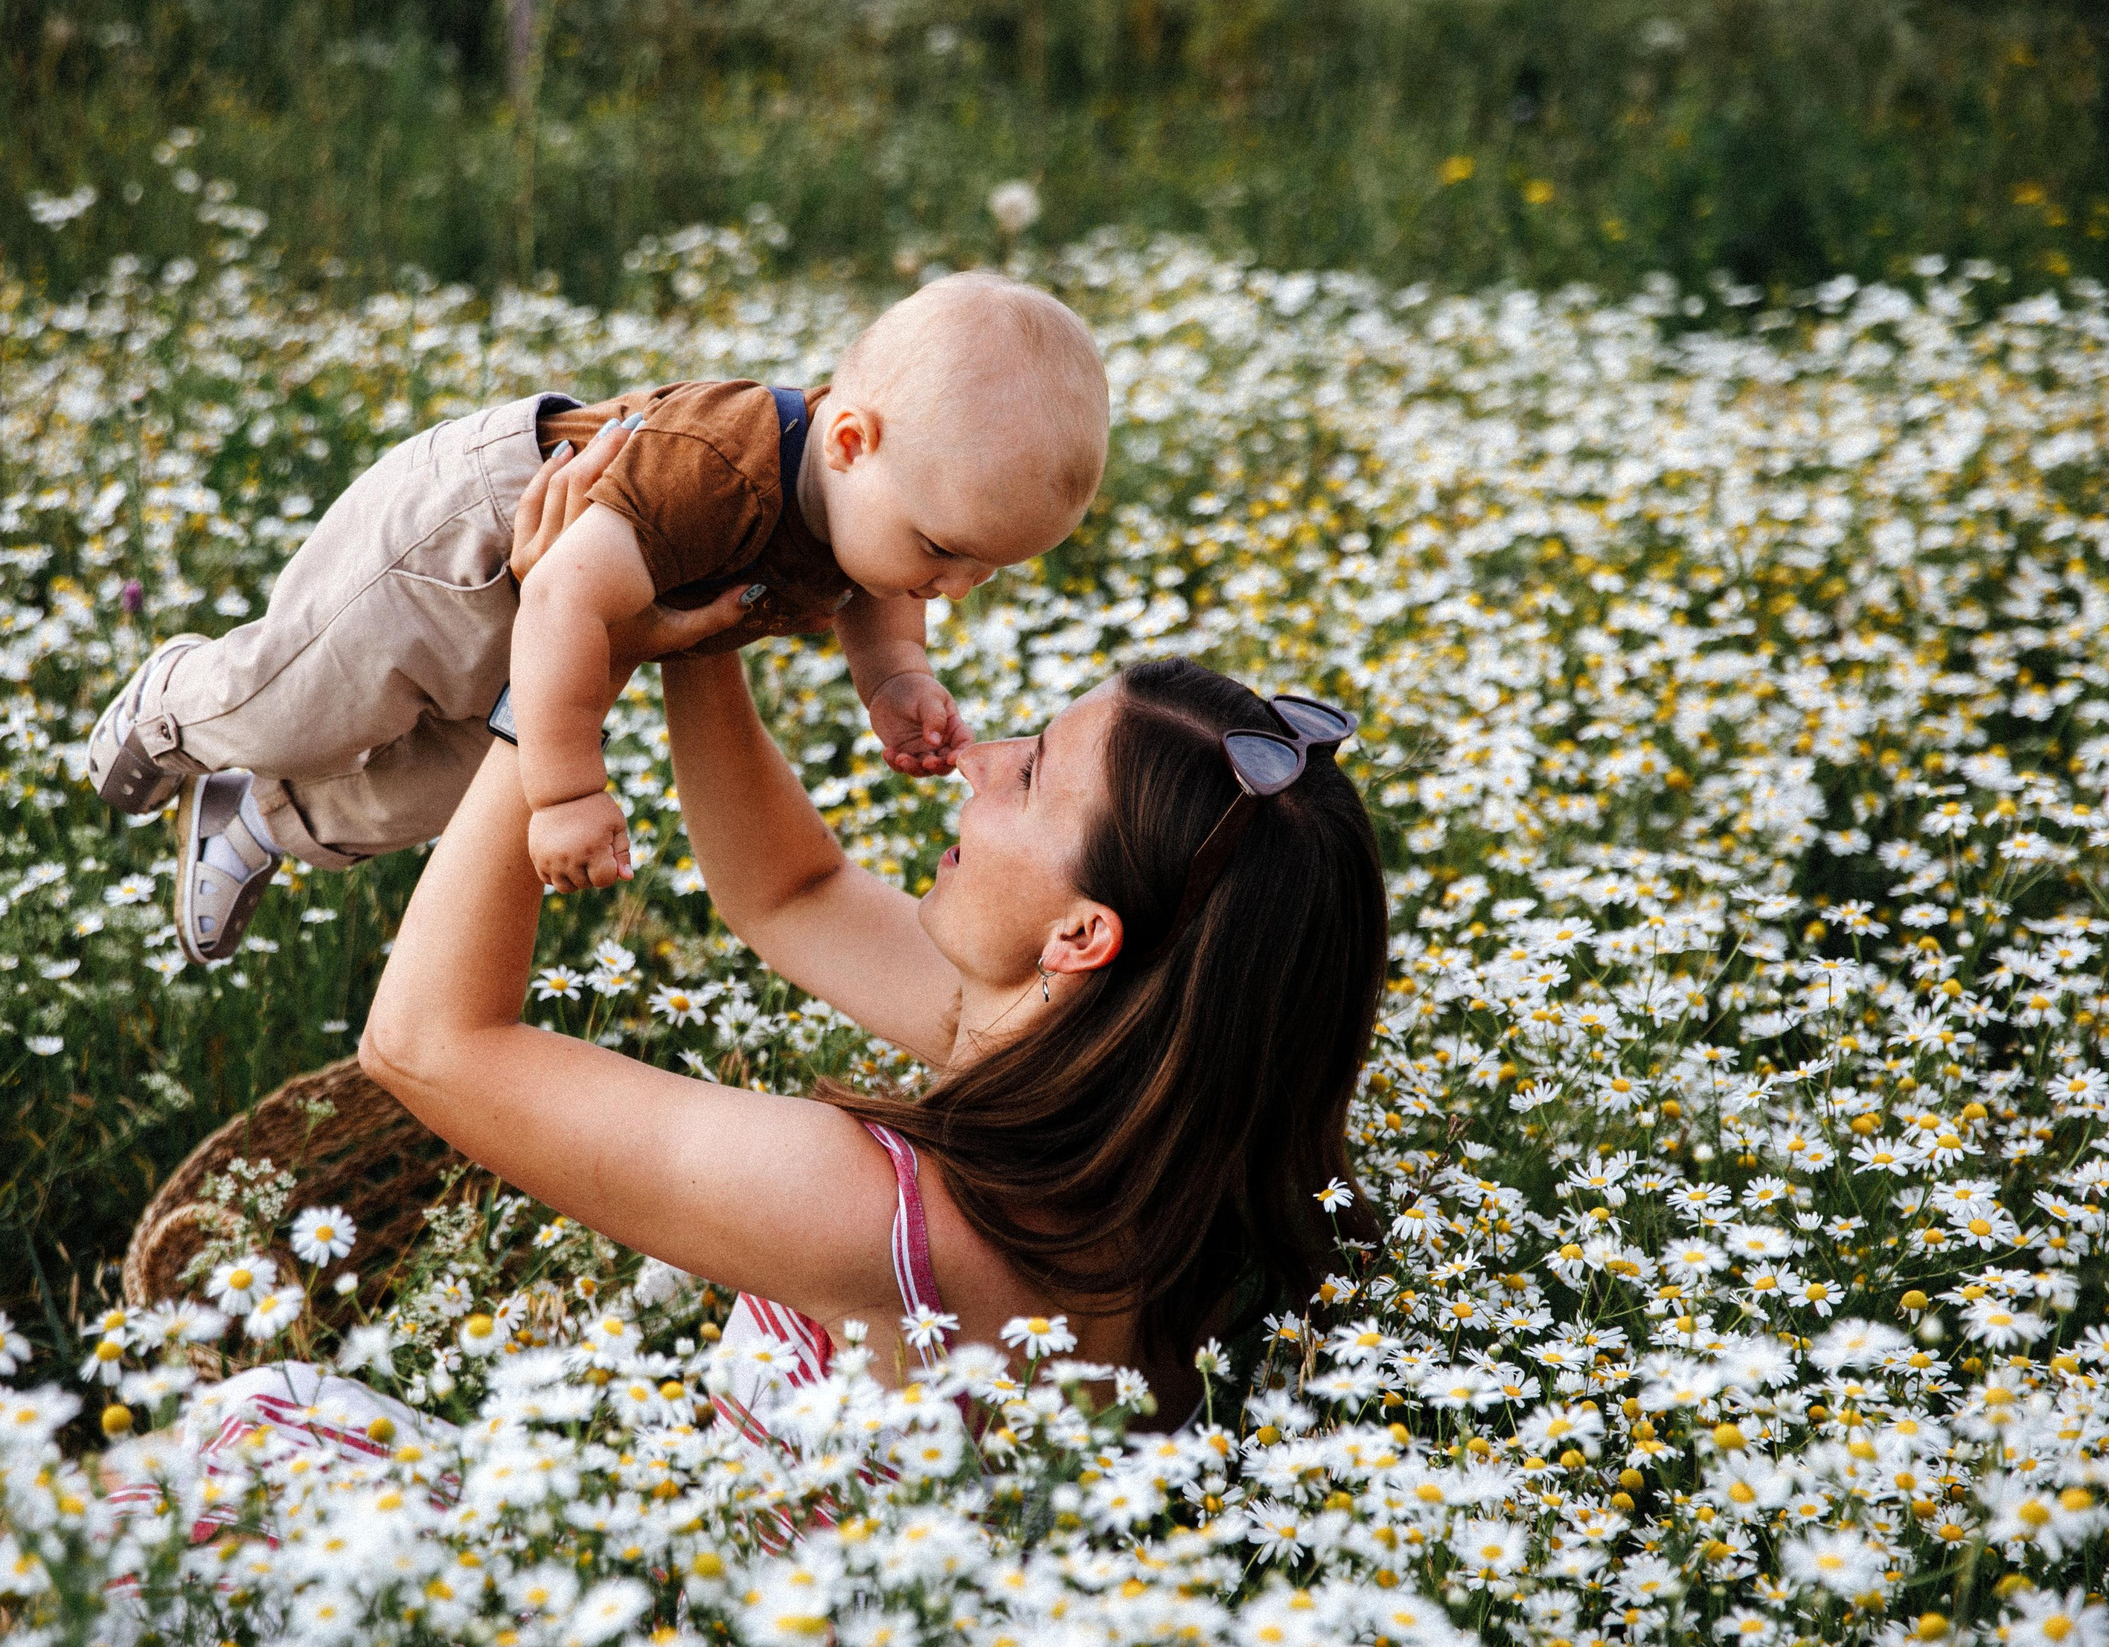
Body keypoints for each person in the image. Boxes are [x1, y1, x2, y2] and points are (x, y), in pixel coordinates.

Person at [336, 434, 1393, 1438]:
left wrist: (556, 677)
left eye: (1029, 777)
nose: (981, 761)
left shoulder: (882, 1224)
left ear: (1079, 935)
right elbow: (791, 893)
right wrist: (695, 592)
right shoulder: (1157, 1151)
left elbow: (427, 1044)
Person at [81, 271, 1112, 963]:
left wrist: (893, 680)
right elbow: (569, 588)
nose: (954, 586)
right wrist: (570, 791)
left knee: (448, 783)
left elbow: (877, 593)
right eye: (943, 550)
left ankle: (253, 817)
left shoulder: (877, 507)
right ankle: (176, 703)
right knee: (310, 706)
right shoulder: (724, 469)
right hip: (474, 540)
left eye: (988, 569)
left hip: (577, 620)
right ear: (847, 441)